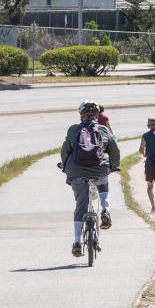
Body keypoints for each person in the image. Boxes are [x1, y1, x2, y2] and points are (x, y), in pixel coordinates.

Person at [59, 100, 121, 257]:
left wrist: (66, 168)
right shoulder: (104, 130)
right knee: (103, 181)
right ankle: (105, 210)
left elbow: (65, 152)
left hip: (77, 173)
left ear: (81, 115)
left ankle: (77, 242)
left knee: (81, 206)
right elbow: (115, 150)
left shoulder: (73, 130)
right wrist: (114, 166)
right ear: (97, 115)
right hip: (100, 171)